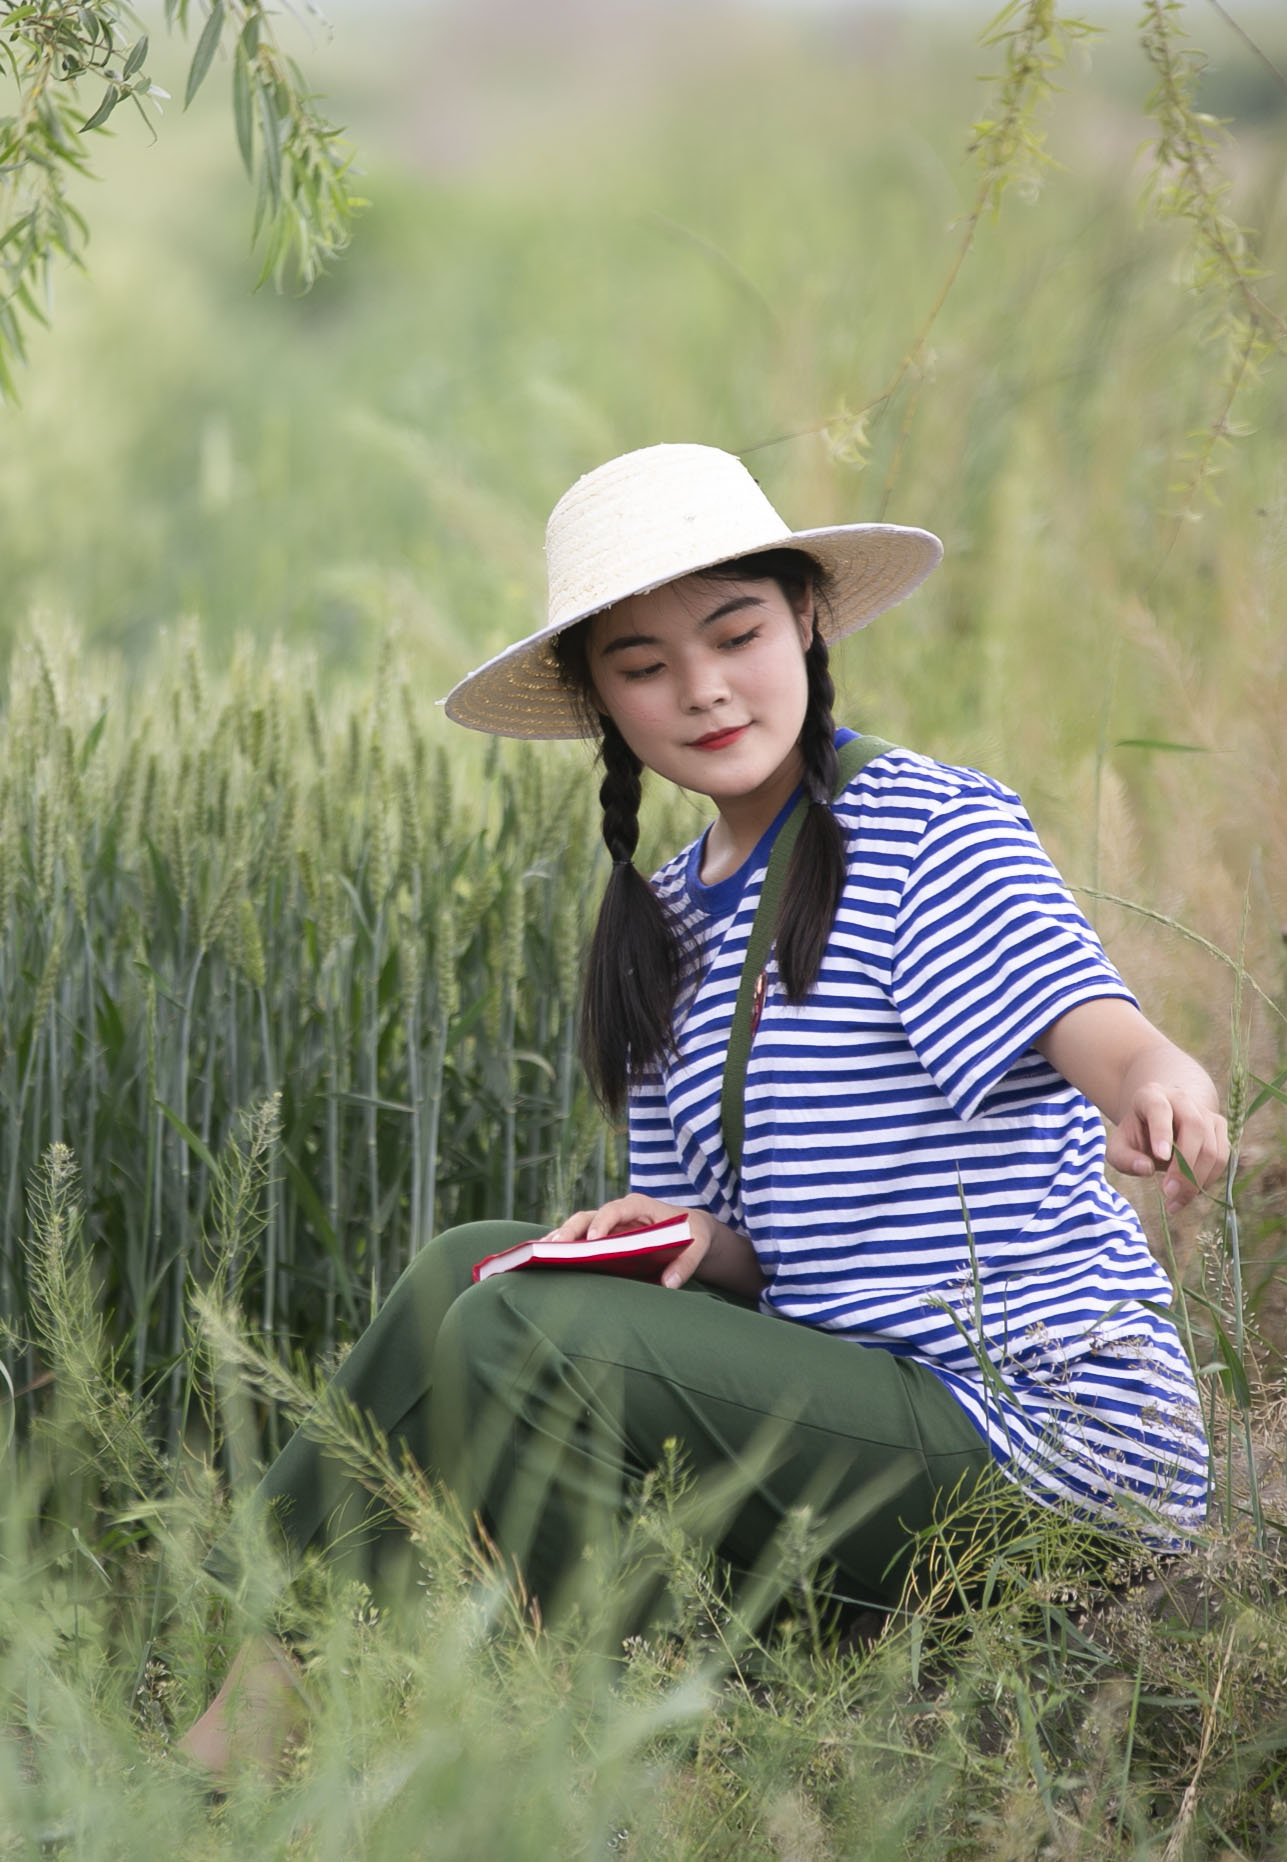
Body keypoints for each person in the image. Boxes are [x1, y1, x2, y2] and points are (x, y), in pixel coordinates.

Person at [178, 442, 1227, 1781]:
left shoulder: (920, 824)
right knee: (473, 1271)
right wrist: (677, 1241)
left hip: (1036, 1432)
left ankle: (629, 1736)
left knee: (517, 1329)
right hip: (861, 1409)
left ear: (803, 617)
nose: (704, 688)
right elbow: (749, 1259)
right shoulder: (664, 917)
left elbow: (1082, 1016)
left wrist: (1153, 1081)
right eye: (644, 664)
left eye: (734, 632)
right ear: (600, 701)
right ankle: (256, 1692)